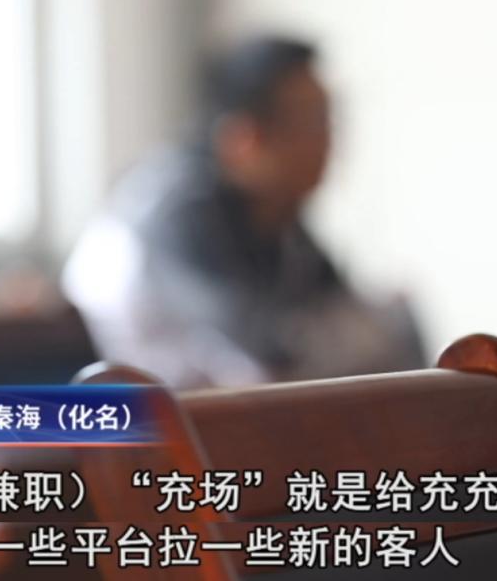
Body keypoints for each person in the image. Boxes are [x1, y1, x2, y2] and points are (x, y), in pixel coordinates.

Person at [63, 36, 425, 388]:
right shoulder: (174, 210)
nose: (328, 142)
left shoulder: (276, 216)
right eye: (310, 122)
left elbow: (346, 312)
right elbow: (260, 354)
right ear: (245, 139)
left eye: (329, 120)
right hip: (128, 413)